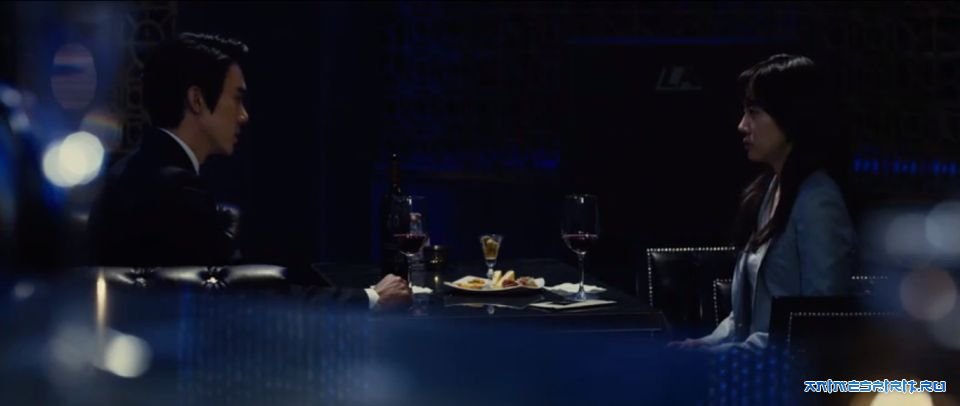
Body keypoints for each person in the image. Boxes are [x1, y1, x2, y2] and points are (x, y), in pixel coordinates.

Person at [88, 33, 410, 309]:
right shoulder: (173, 188)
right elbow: (248, 294)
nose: (244, 116)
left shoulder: (136, 170)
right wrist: (370, 298)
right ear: (197, 100)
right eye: (237, 99)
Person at [669, 54, 857, 352]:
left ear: (790, 117)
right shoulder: (770, 190)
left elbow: (817, 323)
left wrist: (718, 356)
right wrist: (702, 344)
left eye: (753, 112)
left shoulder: (818, 200)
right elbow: (743, 320)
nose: (742, 125)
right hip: (750, 367)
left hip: (790, 376)